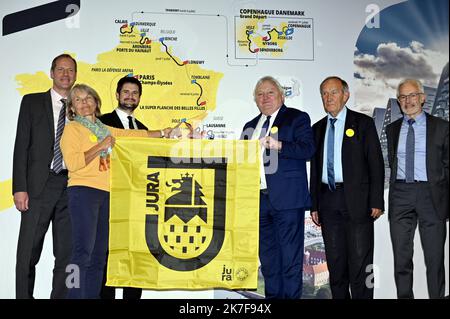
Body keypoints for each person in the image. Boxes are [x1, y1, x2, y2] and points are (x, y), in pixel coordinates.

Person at [60, 84, 179, 298]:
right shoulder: (73, 129)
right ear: (72, 108)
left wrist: (163, 132)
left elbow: (134, 135)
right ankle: (73, 295)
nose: (84, 103)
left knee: (99, 256)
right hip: (83, 192)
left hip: (107, 195)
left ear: (96, 102)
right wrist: (100, 146)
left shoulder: (105, 129)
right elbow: (72, 163)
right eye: (78, 100)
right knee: (81, 253)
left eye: (88, 98)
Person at [309, 76, 384, 299]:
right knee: (336, 264)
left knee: (361, 264)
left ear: (346, 95)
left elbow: (376, 164)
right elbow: (314, 171)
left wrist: (376, 201)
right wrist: (314, 204)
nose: (328, 97)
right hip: (328, 202)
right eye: (324, 93)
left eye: (333, 92)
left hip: (358, 203)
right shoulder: (317, 128)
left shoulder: (363, 123)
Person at [241, 76, 315, 299]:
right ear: (255, 100)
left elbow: (308, 149)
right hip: (258, 201)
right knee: (269, 261)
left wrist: (279, 145)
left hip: (288, 200)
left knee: (290, 260)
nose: (265, 98)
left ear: (282, 96)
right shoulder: (249, 127)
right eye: (260, 94)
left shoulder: (297, 118)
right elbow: (241, 161)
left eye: (270, 92)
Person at [12, 54, 77, 299]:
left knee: (67, 255)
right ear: (51, 73)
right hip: (39, 186)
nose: (65, 74)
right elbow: (21, 146)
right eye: (60, 69)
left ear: (75, 75)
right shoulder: (32, 102)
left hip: (72, 187)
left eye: (70, 70)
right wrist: (20, 187)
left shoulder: (82, 107)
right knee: (27, 253)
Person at [386, 78, 448, 299]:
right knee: (401, 259)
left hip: (431, 196)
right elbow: (392, 163)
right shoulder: (392, 130)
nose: (408, 100)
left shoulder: (441, 127)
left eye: (412, 95)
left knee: (434, 260)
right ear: (399, 101)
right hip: (401, 195)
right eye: (403, 97)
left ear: (422, 98)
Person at [98, 76, 147, 299]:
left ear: (139, 98)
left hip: (136, 204)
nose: (130, 96)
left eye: (134, 93)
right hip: (107, 198)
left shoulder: (144, 129)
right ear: (117, 95)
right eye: (125, 92)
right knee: (106, 256)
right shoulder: (101, 122)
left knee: (134, 257)